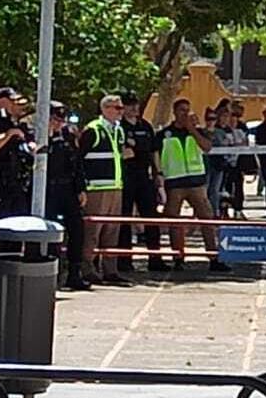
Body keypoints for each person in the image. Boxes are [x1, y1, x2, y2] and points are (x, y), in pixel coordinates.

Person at [156, 98, 227, 272]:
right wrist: (159, 176)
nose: (184, 114)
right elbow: (156, 156)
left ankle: (213, 257)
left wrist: (192, 129)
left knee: (207, 219)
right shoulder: (164, 134)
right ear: (174, 112)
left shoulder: (197, 132)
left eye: (187, 110)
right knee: (174, 221)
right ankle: (178, 257)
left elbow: (207, 147)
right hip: (175, 183)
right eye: (181, 110)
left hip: (196, 182)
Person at [0, 87, 33, 263]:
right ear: (1, 101)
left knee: (17, 227)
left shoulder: (13, 122)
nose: (17, 105)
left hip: (14, 182)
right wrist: (9, 135)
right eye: (12, 101)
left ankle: (14, 263)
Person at [80, 94, 129, 284]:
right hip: (96, 188)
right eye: (117, 108)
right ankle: (87, 268)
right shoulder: (94, 130)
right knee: (93, 231)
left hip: (115, 187)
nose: (121, 112)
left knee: (112, 230)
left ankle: (111, 270)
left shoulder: (119, 130)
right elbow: (80, 158)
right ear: (106, 109)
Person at [42, 101, 90, 291]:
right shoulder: (39, 134)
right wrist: (48, 135)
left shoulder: (68, 135)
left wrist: (81, 188)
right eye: (55, 119)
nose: (58, 123)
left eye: (61, 120)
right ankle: (51, 272)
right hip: (49, 189)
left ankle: (74, 273)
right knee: (51, 231)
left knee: (77, 230)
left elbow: (76, 162)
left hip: (68, 188)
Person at [116, 94, 165, 273]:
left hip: (144, 176)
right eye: (129, 105)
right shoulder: (119, 127)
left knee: (151, 217)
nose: (134, 108)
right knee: (125, 218)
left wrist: (158, 173)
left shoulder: (145, 126)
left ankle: (155, 257)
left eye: (135, 104)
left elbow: (153, 151)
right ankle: (124, 259)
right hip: (126, 176)